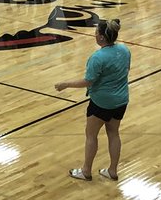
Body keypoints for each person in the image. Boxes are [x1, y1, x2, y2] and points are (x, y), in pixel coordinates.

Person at [56, 19, 130, 181]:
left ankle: (86, 170)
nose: (94, 35)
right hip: (121, 100)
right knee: (113, 133)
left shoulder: (98, 57)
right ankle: (112, 170)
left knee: (91, 135)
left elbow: (88, 81)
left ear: (102, 37)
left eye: (96, 33)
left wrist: (66, 84)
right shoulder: (125, 50)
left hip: (101, 102)